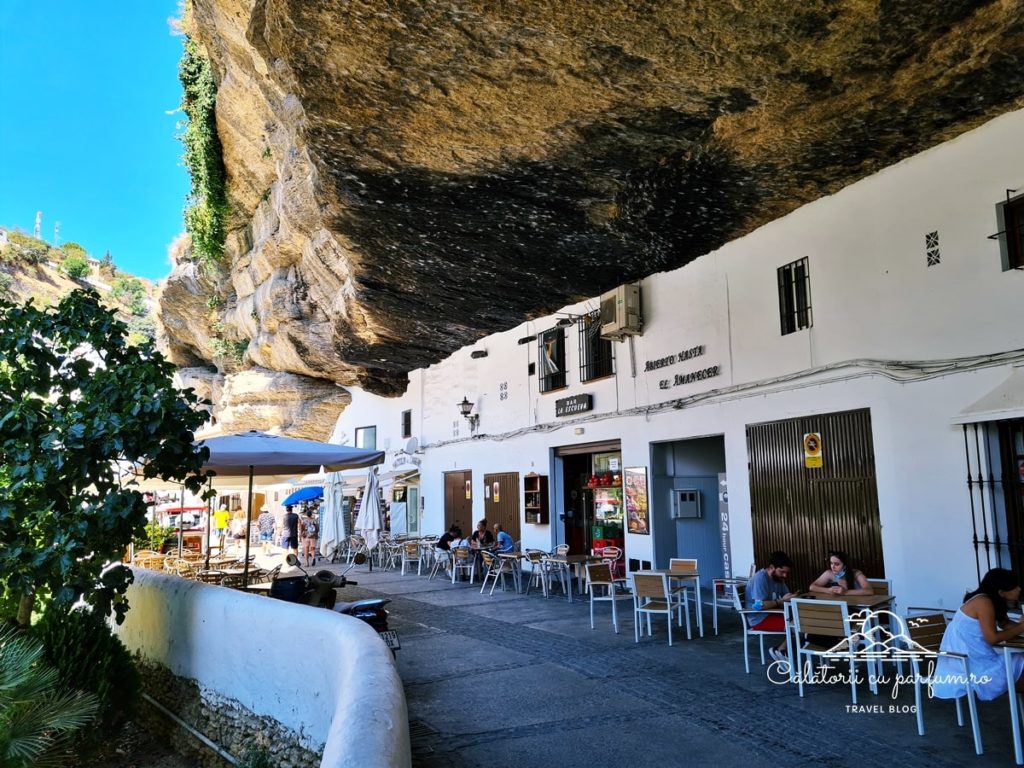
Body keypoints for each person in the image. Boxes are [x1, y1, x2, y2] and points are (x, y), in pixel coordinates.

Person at [932, 568, 1024, 701]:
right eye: (1014, 586)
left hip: (976, 657)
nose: (1019, 589)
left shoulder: (991, 600)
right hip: (968, 664)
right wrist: (1021, 627)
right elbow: (992, 638)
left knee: (1019, 665)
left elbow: (1006, 624)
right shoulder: (983, 602)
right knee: (1019, 664)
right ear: (1001, 592)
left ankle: (1016, 713)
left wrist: (1020, 627)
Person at [746, 550, 797, 664]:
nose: (785, 575)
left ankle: (781, 650)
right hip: (759, 618)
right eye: (782, 572)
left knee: (802, 624)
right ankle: (781, 650)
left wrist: (792, 597)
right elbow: (758, 606)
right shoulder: (760, 578)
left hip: (772, 613)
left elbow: (785, 596)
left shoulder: (778, 579)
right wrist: (781, 601)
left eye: (786, 573)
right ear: (772, 567)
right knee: (798, 627)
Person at [808, 550, 872, 596]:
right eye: (831, 563)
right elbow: (812, 587)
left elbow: (869, 591)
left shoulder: (856, 573)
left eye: (837, 564)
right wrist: (828, 590)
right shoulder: (829, 573)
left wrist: (846, 592)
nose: (833, 566)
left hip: (858, 605)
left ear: (845, 566)